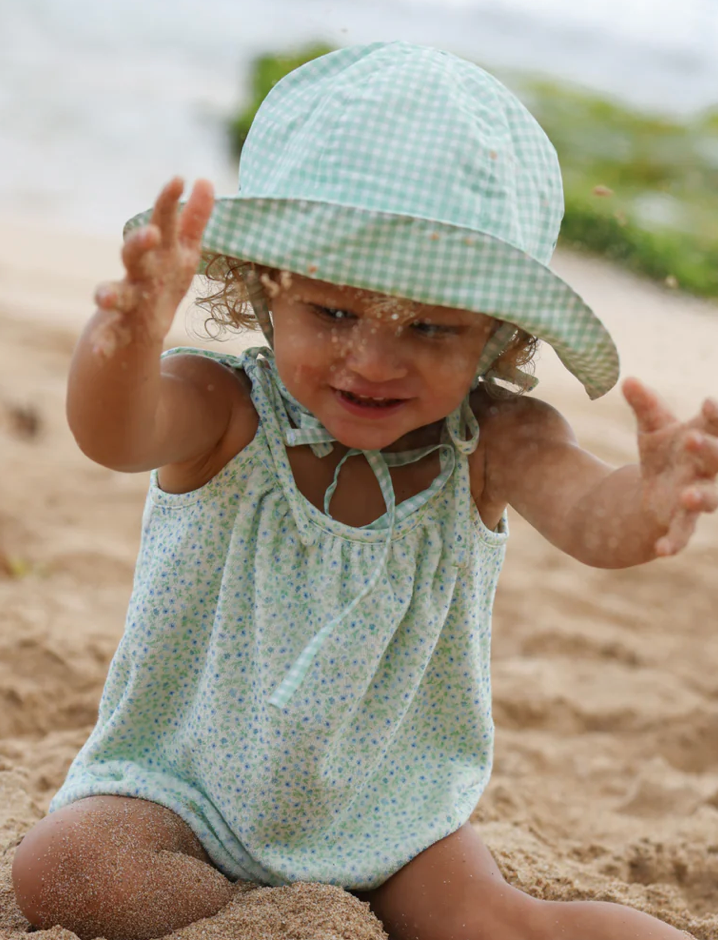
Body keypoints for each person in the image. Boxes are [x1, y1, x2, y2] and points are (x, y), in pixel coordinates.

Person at [12, 41, 715, 940]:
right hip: (185, 794)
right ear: (269, 289)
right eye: (334, 312)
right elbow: (111, 434)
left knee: (498, 920)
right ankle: (275, 920)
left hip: (394, 819)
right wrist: (127, 334)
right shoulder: (224, 409)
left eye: (430, 327)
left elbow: (593, 517)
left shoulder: (494, 440)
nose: (375, 359)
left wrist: (653, 503)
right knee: (65, 873)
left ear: (497, 336)